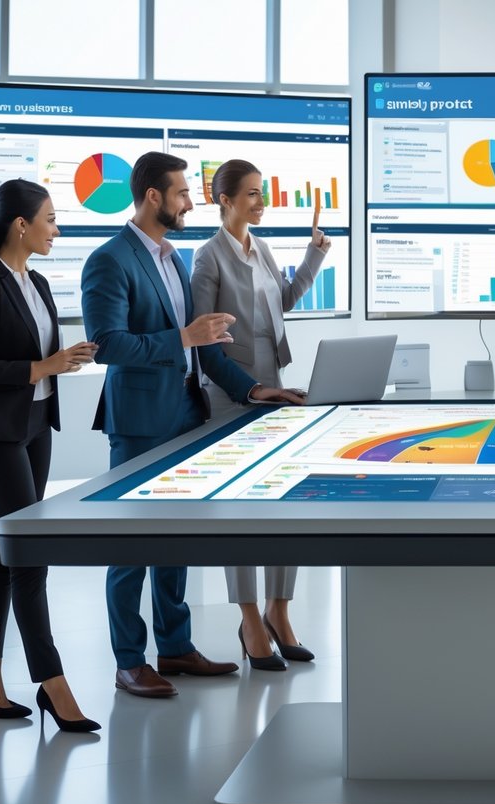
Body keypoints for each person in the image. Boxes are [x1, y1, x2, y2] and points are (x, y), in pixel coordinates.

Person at [81, 151, 304, 698]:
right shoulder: (109, 260)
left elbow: (204, 347)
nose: (189, 201)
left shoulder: (174, 259)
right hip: (138, 419)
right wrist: (182, 339)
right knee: (131, 544)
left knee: (174, 538)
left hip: (185, 411)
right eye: (181, 192)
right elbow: (106, 345)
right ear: (153, 196)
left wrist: (254, 389)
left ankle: (175, 647)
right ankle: (129, 660)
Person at [0, 179, 100, 733]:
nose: (56, 230)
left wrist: (67, 359)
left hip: (37, 426)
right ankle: (53, 682)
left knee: (2, 552)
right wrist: (42, 368)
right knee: (29, 554)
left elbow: (39, 354)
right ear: (21, 225)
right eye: (51, 220)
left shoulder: (35, 280)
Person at [191, 158, 328, 670]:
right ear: (224, 200)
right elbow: (205, 344)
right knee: (241, 511)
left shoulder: (263, 248)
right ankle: (249, 617)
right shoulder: (209, 258)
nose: (260, 201)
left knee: (282, 503)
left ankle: (280, 609)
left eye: (261, 192)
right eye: (250, 194)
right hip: (234, 393)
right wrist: (250, 389)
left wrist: (313, 255)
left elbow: (285, 301)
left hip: (277, 388)